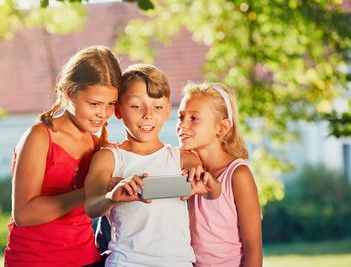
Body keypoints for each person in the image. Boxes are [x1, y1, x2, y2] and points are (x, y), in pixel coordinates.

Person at [84, 64, 221, 267]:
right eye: (136, 106)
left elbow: (212, 193)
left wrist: (209, 186)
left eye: (157, 107)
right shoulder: (109, 157)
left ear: (167, 111)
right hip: (126, 262)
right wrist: (112, 197)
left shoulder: (184, 158)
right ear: (119, 110)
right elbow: (92, 207)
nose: (148, 114)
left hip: (178, 263)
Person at [4, 46, 122, 267]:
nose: (103, 113)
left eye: (111, 104)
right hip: (35, 260)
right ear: (68, 92)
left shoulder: (99, 145)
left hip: (86, 259)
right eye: (94, 104)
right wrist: (89, 193)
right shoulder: (40, 137)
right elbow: (24, 214)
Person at [176, 82, 263, 267]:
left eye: (194, 118)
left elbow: (253, 249)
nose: (182, 124)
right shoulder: (183, 170)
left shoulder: (238, 175)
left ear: (222, 128)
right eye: (181, 116)